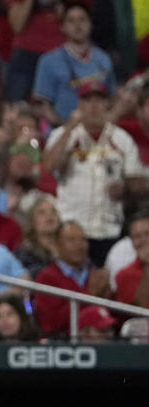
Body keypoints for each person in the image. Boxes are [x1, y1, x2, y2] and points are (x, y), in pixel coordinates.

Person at [42, 80, 146, 267]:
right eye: (87, 100)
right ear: (80, 104)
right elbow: (49, 166)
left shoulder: (121, 138)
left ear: (107, 104)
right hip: (71, 228)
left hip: (108, 229)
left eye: (99, 100)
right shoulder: (63, 134)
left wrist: (124, 189)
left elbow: (137, 183)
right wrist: (70, 127)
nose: (93, 106)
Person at [32, 2, 115, 125]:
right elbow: (42, 106)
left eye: (82, 19)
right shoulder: (48, 61)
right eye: (71, 21)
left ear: (91, 24)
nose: (77, 25)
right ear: (62, 27)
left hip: (97, 130)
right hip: (60, 130)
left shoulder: (104, 59)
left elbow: (111, 98)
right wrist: (66, 128)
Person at [33, 221, 112, 337]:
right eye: (71, 240)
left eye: (83, 239)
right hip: (64, 344)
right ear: (57, 245)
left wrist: (108, 293)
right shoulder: (46, 278)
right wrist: (89, 295)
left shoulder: (96, 274)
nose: (79, 245)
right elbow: (50, 324)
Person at [15, 195, 61, 278]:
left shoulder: (68, 248)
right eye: (41, 212)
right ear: (32, 220)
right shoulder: (24, 252)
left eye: (53, 211)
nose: (49, 216)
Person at [114, 211, 149, 309]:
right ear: (132, 242)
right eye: (137, 236)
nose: (143, 240)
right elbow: (134, 315)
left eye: (147, 234)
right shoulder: (124, 275)